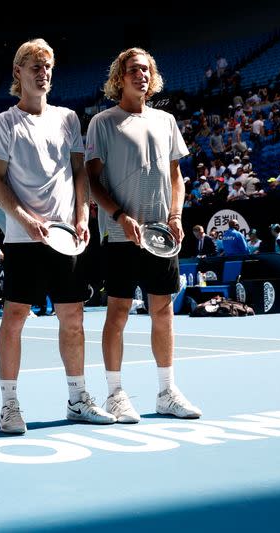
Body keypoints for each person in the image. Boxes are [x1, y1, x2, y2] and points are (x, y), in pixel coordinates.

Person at [0, 38, 115, 434]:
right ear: (18, 73)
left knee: (73, 317)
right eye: (35, 66)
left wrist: (81, 216)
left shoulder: (68, 119)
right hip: (24, 239)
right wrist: (25, 219)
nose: (43, 73)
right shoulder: (3, 124)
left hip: (65, 237)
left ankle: (78, 398)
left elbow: (78, 173)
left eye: (48, 67)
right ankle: (9, 405)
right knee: (15, 317)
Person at [86, 47, 202, 423]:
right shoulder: (102, 123)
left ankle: (167, 391)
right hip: (122, 235)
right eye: (134, 70)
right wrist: (119, 216)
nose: (142, 75)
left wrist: (175, 214)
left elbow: (175, 178)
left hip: (160, 235)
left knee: (163, 312)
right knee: (117, 311)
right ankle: (116, 393)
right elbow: (91, 182)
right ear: (120, 77)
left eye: (147, 69)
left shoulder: (166, 120)